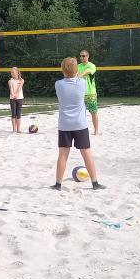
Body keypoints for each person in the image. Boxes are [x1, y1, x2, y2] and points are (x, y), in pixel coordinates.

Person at [53, 57, 105, 191]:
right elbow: (85, 72)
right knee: (86, 153)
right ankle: (95, 183)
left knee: (63, 154)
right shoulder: (81, 83)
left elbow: (69, 75)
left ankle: (58, 184)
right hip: (80, 124)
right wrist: (77, 74)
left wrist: (72, 73)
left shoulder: (58, 84)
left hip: (65, 125)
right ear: (77, 71)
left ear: (62, 70)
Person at [76, 49, 99, 135]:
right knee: (79, 113)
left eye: (84, 56)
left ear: (88, 56)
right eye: (81, 56)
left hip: (90, 93)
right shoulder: (78, 66)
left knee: (93, 112)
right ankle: (80, 130)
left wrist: (78, 75)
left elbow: (86, 72)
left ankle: (96, 130)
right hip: (80, 93)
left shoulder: (91, 66)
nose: (82, 57)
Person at [8, 67, 25, 133]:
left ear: (17, 72)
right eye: (11, 72)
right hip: (12, 98)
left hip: (19, 98)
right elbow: (11, 89)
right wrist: (13, 95)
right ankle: (14, 129)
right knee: (13, 114)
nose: (12, 73)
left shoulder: (21, 80)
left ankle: (18, 129)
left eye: (13, 72)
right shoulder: (10, 81)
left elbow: (19, 88)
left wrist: (17, 95)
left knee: (18, 114)